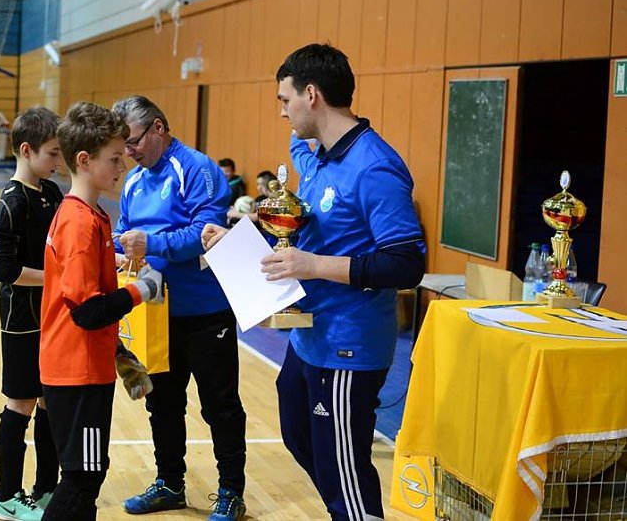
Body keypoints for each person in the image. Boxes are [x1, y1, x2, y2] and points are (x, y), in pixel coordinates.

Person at [202, 43, 425, 520]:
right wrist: (244, 236)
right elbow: (307, 230)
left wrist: (313, 266)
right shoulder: (318, 157)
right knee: (301, 436)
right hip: (309, 339)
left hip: (349, 345)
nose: (282, 112)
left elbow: (406, 263)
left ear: (311, 95)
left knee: (346, 480)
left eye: (285, 100)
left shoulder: (375, 166)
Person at [112, 96, 248, 521]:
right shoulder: (134, 182)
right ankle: (169, 482)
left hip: (206, 312)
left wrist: (151, 244)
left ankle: (231, 492)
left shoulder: (196, 168)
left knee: (219, 405)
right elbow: (122, 231)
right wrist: (120, 249)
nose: (129, 152)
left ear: (158, 127)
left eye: (133, 141)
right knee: (163, 403)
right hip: (154, 314)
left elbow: (206, 233)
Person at [38, 101, 163, 520]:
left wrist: (121, 355)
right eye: (114, 158)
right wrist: (143, 290)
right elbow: (88, 311)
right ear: (85, 161)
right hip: (77, 371)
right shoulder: (78, 222)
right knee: (81, 479)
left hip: (86, 364)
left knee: (85, 478)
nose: (122, 166)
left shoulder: (92, 216)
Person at [0, 106, 64, 521]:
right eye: (52, 154)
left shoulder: (51, 194)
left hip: (53, 317)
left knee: (50, 402)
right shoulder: (11, 203)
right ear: (26, 150)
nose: (58, 162)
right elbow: (5, 271)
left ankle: (45, 489)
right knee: (21, 403)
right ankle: (5, 496)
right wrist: (58, 278)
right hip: (21, 321)